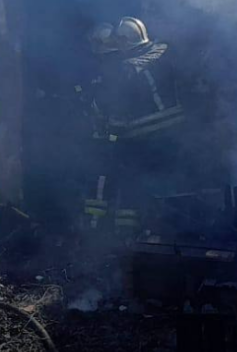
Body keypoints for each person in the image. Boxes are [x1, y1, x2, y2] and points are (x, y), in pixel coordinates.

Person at [78, 17, 185, 234]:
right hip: (173, 132)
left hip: (145, 135)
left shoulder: (124, 70)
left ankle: (100, 232)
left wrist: (110, 133)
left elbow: (114, 110)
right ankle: (132, 231)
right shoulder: (158, 52)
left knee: (116, 179)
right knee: (140, 184)